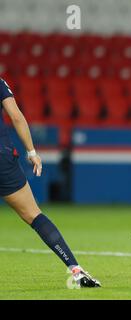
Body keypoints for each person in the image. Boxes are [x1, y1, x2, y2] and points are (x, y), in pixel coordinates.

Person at [0, 77, 101, 288]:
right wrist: (32, 152)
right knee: (34, 215)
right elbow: (16, 116)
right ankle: (75, 270)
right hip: (2, 158)